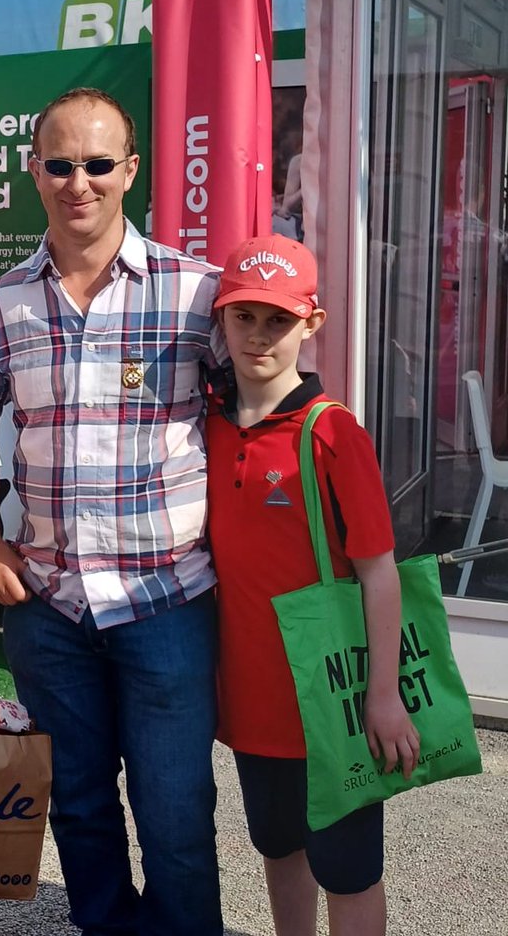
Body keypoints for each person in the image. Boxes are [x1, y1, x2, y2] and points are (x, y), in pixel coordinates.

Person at [0, 86, 224, 935]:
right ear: (33, 170)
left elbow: (254, 420)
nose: (80, 182)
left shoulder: (196, 295)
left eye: (99, 164)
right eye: (62, 164)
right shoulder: (0, 304)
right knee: (77, 805)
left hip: (166, 601)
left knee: (176, 817)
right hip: (49, 607)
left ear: (131, 170)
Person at [207, 233, 419, 936]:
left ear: (312, 323)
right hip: (251, 700)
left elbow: (379, 572)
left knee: (349, 868)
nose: (258, 335)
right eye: (244, 316)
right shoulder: (207, 427)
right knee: (278, 847)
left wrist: (383, 696)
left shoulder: (334, 434)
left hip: (333, 698)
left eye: (279, 319)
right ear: (220, 318)